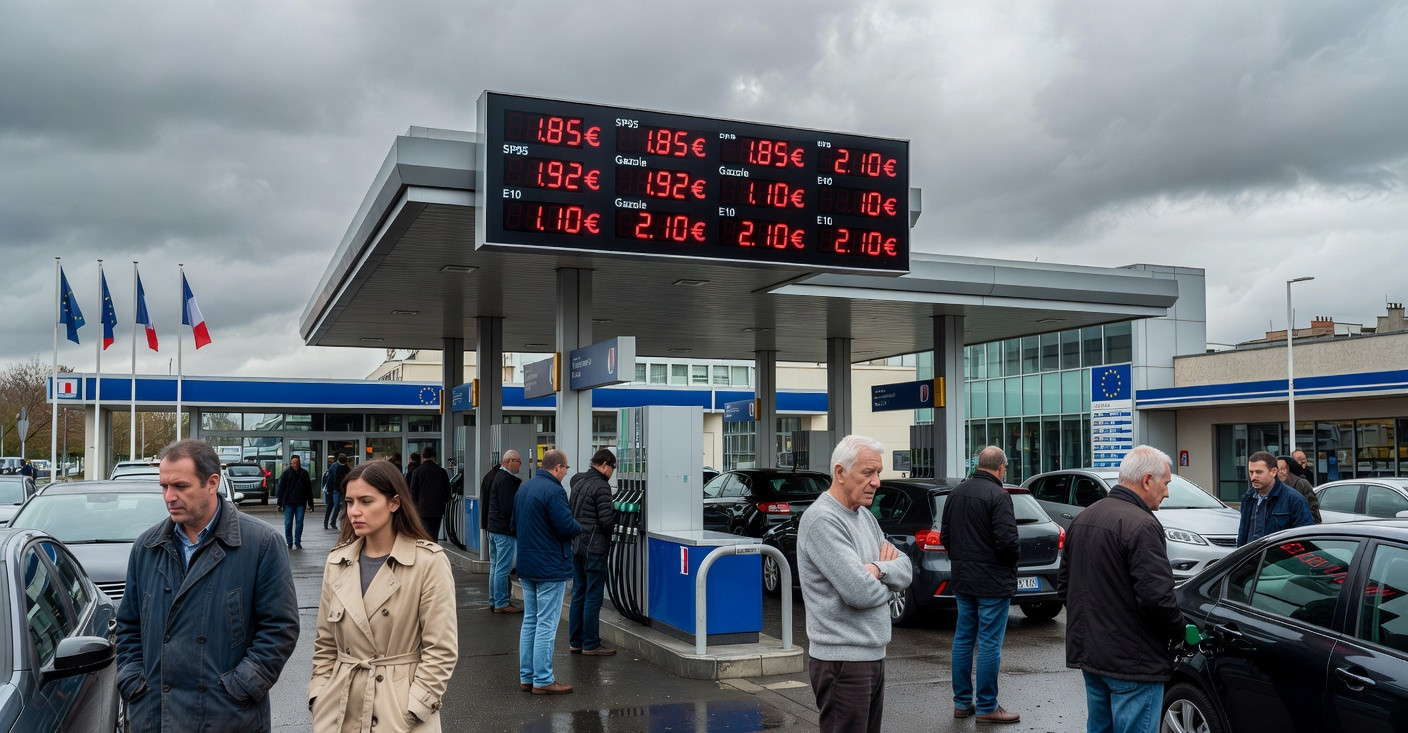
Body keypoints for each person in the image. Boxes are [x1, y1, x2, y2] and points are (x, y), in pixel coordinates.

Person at [115, 439, 299, 733]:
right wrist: (133, 683)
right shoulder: (147, 547)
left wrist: (240, 688)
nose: (169, 496)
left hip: (228, 719)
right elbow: (128, 626)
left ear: (212, 483)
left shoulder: (261, 544)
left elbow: (280, 628)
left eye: (180, 486)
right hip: (154, 717)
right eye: (164, 486)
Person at [308, 459, 458, 733]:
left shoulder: (427, 562)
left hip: (398, 711)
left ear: (394, 503)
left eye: (366, 501)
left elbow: (441, 649)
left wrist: (414, 708)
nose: (355, 511)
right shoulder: (337, 562)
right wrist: (319, 695)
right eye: (350, 502)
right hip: (340, 710)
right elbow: (325, 643)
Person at [1059, 445, 1185, 733]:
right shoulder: (1142, 525)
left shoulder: (1084, 517)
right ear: (1147, 480)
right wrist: (1179, 631)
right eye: (1166, 484)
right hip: (1134, 663)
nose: (1167, 493)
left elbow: (1065, 586)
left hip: (1092, 656)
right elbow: (1157, 599)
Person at [796, 434, 913, 733]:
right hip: (843, 662)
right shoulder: (823, 520)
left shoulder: (864, 517)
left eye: (878, 472)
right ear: (840, 472)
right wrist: (889, 581)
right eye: (868, 472)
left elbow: (906, 569)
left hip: (870, 656)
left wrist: (876, 569)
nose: (877, 482)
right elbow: (859, 592)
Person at [940, 446, 1020, 724]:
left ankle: (962, 703)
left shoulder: (956, 493)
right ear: (1001, 467)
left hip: (963, 579)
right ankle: (987, 706)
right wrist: (1010, 566)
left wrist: (961, 561)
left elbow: (946, 536)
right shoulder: (999, 495)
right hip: (993, 582)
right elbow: (1007, 542)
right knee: (989, 643)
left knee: (963, 638)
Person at [512, 449, 581, 694]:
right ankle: (542, 679)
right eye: (565, 469)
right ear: (558, 467)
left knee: (530, 620)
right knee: (546, 624)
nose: (565, 474)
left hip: (527, 564)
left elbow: (513, 524)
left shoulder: (524, 488)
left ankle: (527, 676)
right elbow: (565, 526)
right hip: (550, 566)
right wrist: (579, 526)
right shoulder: (554, 490)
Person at [568, 448, 618, 656]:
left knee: (578, 592)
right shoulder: (602, 486)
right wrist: (617, 516)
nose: (612, 472)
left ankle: (575, 641)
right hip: (594, 548)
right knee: (593, 596)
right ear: (605, 464)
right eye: (613, 467)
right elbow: (606, 522)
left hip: (577, 545)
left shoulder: (579, 481)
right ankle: (590, 643)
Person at [1237, 450, 1315, 546]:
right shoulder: (1248, 498)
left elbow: (1305, 538)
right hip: (1252, 555)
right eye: (1251, 472)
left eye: (1259, 472)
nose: (1253, 477)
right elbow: (1242, 535)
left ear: (1273, 472)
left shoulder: (1295, 500)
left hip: (1280, 556)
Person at [484, 449, 525, 613]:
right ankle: (501, 602)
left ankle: (494, 600)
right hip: (503, 531)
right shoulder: (506, 480)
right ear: (508, 461)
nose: (520, 464)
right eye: (518, 461)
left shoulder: (498, 477)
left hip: (494, 529)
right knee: (502, 568)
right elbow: (508, 508)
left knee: (495, 567)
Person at [408, 446, 450, 539]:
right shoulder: (442, 472)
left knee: (424, 534)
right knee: (434, 534)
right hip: (437, 508)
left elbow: (413, 492)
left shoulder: (417, 472)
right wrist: (443, 501)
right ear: (434, 457)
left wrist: (415, 506)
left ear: (422, 457)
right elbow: (447, 490)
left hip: (422, 509)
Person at [277, 455, 315, 549]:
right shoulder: (286, 473)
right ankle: (289, 542)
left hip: (300, 503)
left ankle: (297, 541)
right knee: (288, 523)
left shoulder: (304, 473)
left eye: (296, 463)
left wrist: (311, 504)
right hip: (288, 503)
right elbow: (281, 489)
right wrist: (279, 503)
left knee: (299, 522)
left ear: (299, 463)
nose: (295, 465)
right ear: (290, 463)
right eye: (293, 463)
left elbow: (309, 490)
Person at [1277, 455, 1321, 523]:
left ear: (1288, 469)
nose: (1280, 472)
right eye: (1277, 469)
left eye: (1282, 469)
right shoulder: (1273, 485)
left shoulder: (1302, 484)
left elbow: (1313, 511)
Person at [320, 456, 339, 530]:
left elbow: (324, 484)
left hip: (330, 491)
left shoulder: (328, 473)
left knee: (330, 507)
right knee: (331, 507)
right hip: (330, 491)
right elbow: (325, 484)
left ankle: (327, 522)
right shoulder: (329, 473)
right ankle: (329, 522)